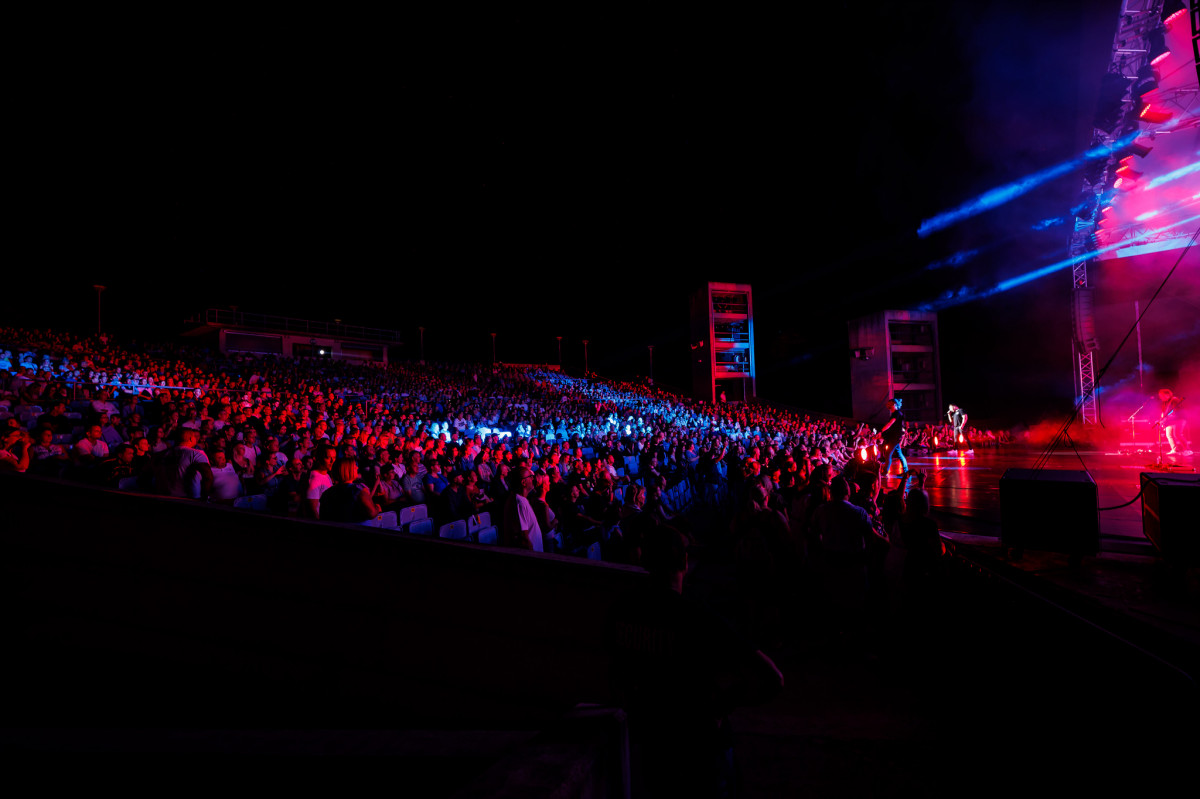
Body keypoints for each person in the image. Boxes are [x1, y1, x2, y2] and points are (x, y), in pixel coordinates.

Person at [607, 524, 783, 797]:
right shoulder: (698, 618)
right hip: (701, 751)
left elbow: (616, 677)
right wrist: (723, 704)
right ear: (685, 562)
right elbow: (772, 678)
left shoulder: (622, 612)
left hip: (653, 749)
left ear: (644, 561)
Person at [1156, 388, 1192, 456]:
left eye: (1161, 396)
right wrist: (1161, 420)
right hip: (1170, 420)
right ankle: (1175, 450)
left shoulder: (1174, 400)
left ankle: (1188, 450)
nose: (1160, 397)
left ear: (1167, 395)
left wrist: (1165, 419)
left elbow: (1175, 411)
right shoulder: (1164, 402)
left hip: (1179, 419)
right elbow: (1163, 413)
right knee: (1169, 435)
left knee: (1177, 434)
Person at [879, 398, 907, 478]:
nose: (888, 406)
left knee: (888, 454)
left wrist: (881, 431)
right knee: (899, 454)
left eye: (889, 404)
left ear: (894, 404)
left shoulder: (896, 413)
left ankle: (885, 472)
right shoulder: (897, 413)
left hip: (895, 438)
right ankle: (906, 472)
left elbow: (890, 424)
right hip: (896, 437)